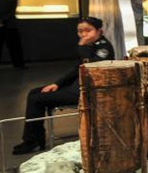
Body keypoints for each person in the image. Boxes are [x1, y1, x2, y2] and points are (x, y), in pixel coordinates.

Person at [12, 17, 115, 154]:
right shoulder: (89, 45)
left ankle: (32, 141)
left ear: (99, 31)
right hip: (76, 85)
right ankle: (35, 138)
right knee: (34, 92)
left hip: (87, 90)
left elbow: (90, 67)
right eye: (80, 31)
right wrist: (56, 84)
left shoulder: (103, 48)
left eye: (88, 31)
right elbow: (76, 69)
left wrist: (81, 47)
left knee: (36, 100)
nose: (83, 34)